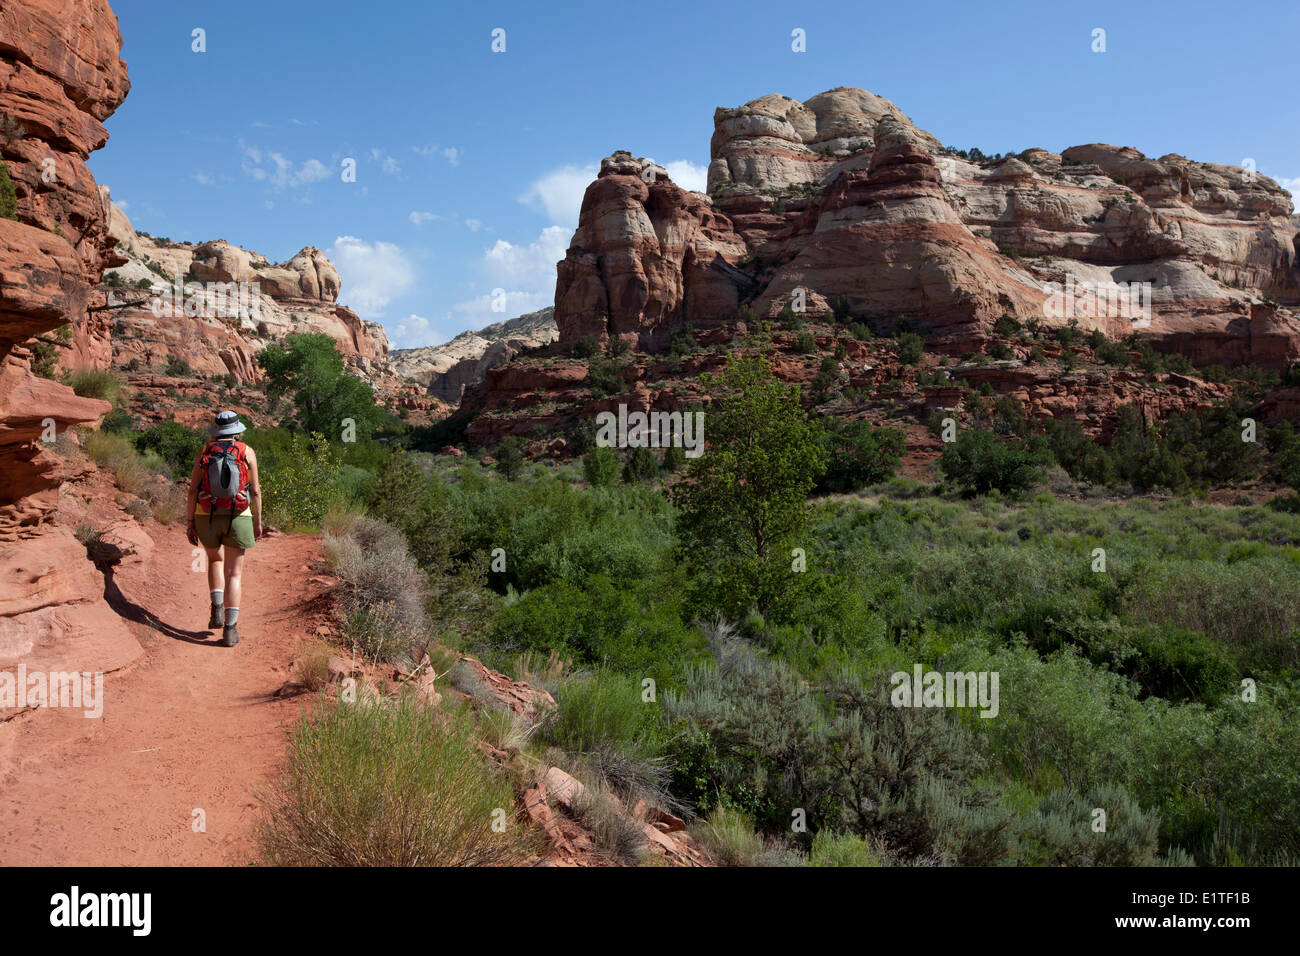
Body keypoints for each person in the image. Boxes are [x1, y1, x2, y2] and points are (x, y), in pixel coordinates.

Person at [186, 410, 262, 647]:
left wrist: (190, 522)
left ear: (217, 430)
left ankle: (216, 609)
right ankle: (230, 630)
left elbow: (192, 490)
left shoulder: (205, 451)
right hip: (238, 517)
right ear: (237, 430)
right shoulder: (247, 451)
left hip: (205, 514)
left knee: (215, 561)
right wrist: (257, 522)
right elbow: (256, 491)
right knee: (234, 573)